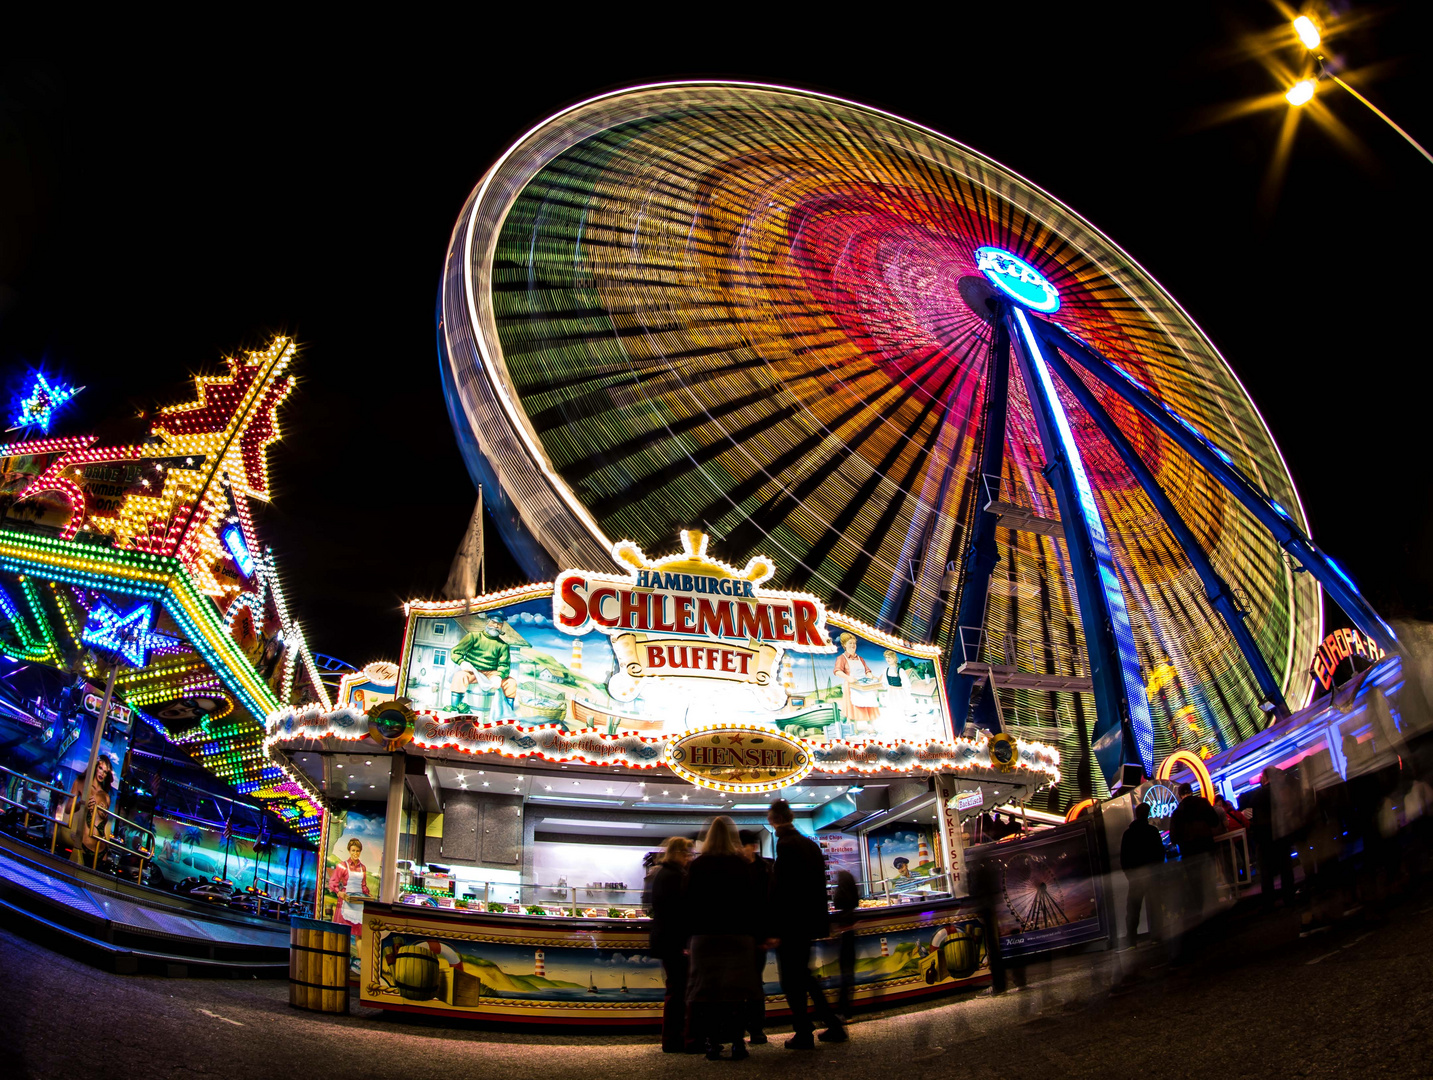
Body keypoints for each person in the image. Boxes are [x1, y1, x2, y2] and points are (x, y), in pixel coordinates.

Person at [686, 817, 767, 1060]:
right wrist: (759, 935)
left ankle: (711, 1042)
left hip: (704, 937)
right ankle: (737, 1042)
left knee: (708, 993)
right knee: (736, 992)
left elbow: (688, 904)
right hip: (738, 936)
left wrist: (687, 939)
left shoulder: (697, 866)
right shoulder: (741, 865)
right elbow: (754, 904)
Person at [768, 798, 846, 1048]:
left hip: (791, 925)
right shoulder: (808, 844)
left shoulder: (786, 845)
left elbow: (784, 891)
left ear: (773, 820)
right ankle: (831, 1025)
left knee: (792, 980)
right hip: (808, 924)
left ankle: (804, 1032)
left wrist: (774, 927)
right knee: (803, 976)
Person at [648, 836, 695, 1053]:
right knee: (679, 990)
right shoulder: (675, 876)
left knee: (675, 989)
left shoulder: (662, 873)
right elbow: (680, 912)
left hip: (666, 940)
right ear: (678, 853)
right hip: (675, 942)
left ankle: (672, 1039)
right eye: (687, 854)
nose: (689, 858)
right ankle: (676, 1039)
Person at [1168, 782, 1221, 942]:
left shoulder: (1177, 813)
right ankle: (1216, 921)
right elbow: (1214, 821)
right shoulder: (1203, 803)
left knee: (1196, 889)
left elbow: (1174, 837)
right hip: (1206, 848)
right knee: (1210, 883)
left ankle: (1202, 922)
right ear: (1191, 791)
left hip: (1190, 854)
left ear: (1179, 795)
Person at [738, 829, 773, 1044]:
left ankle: (756, 1028)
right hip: (740, 934)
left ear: (752, 846)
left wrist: (770, 933)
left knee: (754, 983)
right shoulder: (763, 868)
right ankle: (741, 1028)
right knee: (743, 983)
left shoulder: (766, 868)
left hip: (756, 934)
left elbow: (771, 902)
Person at [449, 613, 517, 716]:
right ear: (487, 621)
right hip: (473, 671)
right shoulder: (473, 636)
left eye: (499, 624)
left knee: (511, 683)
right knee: (459, 676)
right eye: (493, 622)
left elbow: (505, 665)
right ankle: (455, 709)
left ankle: (508, 716)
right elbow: (455, 652)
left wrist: (499, 676)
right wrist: (461, 662)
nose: (495, 626)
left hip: (492, 674)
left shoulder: (503, 646)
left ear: (502, 626)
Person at [1119, 803, 1166, 947]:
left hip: (1136, 876)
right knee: (1155, 906)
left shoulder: (1128, 834)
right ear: (1147, 814)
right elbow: (1160, 852)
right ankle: (1156, 936)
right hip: (1151, 873)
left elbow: (1124, 857)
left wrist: (1129, 873)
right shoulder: (1152, 831)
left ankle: (1131, 940)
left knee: (1133, 909)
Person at [59, 755, 114, 867]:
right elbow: (68, 809)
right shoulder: (80, 783)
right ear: (95, 767)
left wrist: (102, 813)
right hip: (83, 845)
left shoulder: (106, 796)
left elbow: (104, 821)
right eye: (100, 769)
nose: (102, 774)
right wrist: (81, 803)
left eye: (105, 772)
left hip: (101, 848)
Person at [328, 838, 371, 945]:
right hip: (346, 901)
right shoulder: (343, 865)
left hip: (358, 902)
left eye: (357, 851)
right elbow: (333, 882)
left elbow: (363, 885)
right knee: (343, 932)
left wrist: (368, 895)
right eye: (353, 850)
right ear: (349, 851)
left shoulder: (363, 868)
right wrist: (339, 892)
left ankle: (359, 959)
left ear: (360, 852)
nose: (355, 853)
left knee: (359, 934)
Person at [832, 869, 858, 1018]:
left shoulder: (841, 900)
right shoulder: (852, 903)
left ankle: (844, 1008)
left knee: (845, 973)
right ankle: (845, 1008)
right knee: (848, 973)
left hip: (844, 938)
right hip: (850, 936)